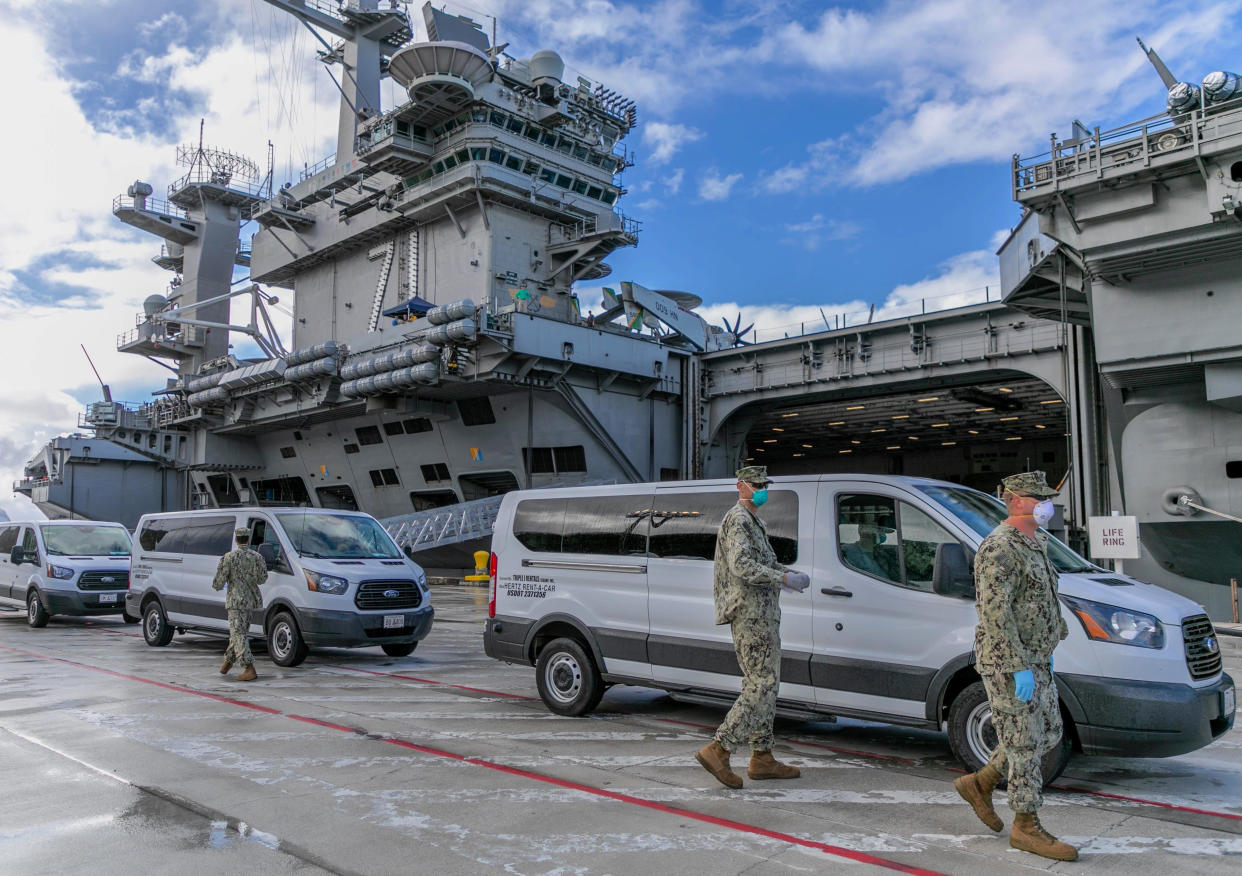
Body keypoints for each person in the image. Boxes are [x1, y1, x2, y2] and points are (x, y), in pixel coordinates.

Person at [953, 471, 1076, 862]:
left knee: (1048, 732)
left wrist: (1049, 643)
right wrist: (1019, 664)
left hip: (1035, 656)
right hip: (1009, 662)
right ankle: (1026, 825)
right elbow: (995, 614)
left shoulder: (1033, 542)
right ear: (1015, 501)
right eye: (1037, 498)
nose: (1045, 505)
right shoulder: (1000, 548)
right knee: (1023, 743)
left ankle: (981, 782)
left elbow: (1043, 600)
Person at [695, 465, 811, 788]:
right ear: (741, 486)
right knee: (761, 684)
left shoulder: (754, 521)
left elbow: (764, 562)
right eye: (756, 484)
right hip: (751, 616)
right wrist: (782, 578)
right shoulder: (738, 520)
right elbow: (742, 565)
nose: (762, 489)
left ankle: (762, 756)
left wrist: (787, 575)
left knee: (766, 684)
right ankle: (720, 748)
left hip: (762, 614)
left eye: (764, 484)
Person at [212, 527, 269, 682]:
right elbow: (262, 578)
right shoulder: (257, 557)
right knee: (239, 632)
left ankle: (249, 668)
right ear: (248, 539)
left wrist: (219, 584)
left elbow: (218, 582)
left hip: (235, 602)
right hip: (250, 601)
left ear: (236, 539)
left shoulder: (229, 557)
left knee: (238, 634)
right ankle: (228, 662)